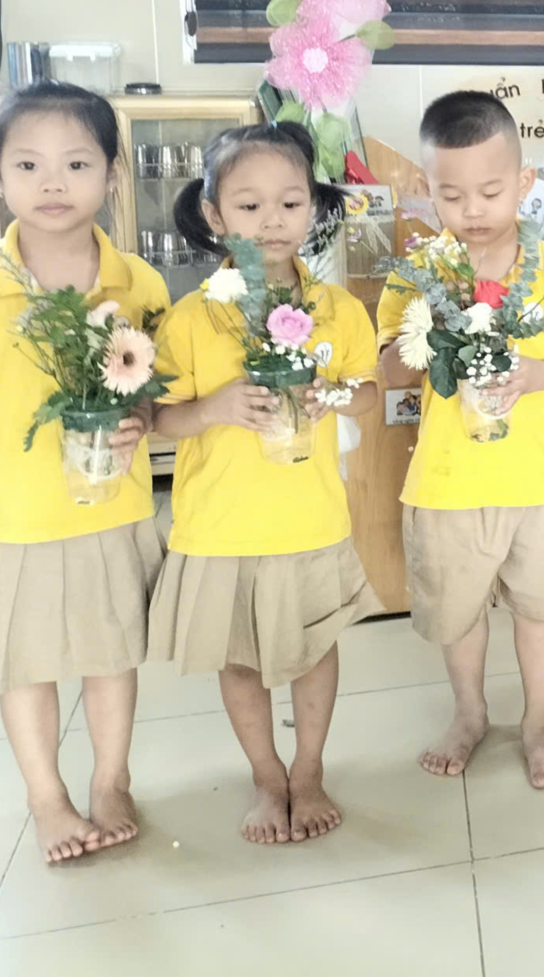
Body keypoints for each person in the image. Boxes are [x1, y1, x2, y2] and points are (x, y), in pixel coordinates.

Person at [0, 83, 167, 862]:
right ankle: (46, 797)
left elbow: (150, 392)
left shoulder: (139, 282)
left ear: (112, 173)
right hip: (9, 513)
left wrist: (142, 418)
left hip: (112, 504)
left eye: (76, 163)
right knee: (27, 665)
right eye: (28, 164)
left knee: (112, 654)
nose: (53, 183)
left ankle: (113, 780)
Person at [150, 123, 380, 844]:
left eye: (290, 202)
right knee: (239, 659)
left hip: (309, 518)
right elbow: (159, 420)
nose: (272, 220)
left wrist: (331, 395)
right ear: (214, 215)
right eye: (249, 206)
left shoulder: (338, 309)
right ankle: (265, 775)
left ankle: (308, 771)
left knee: (313, 649)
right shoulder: (192, 317)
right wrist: (213, 409)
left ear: (313, 207)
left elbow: (369, 394)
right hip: (221, 526)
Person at [376, 92, 544, 789]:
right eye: (452, 196)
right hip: (449, 485)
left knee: (539, 610)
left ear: (524, 182)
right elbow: (389, 367)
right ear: (428, 191)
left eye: (490, 191)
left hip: (539, 481)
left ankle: (539, 721)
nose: (472, 209)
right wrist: (430, 327)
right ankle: (470, 712)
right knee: (458, 613)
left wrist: (538, 374)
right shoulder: (417, 271)